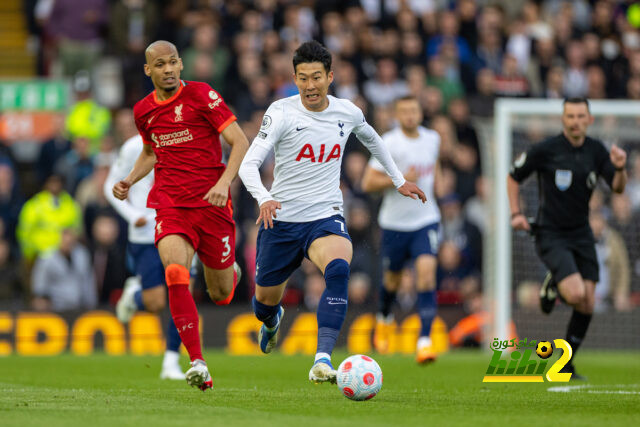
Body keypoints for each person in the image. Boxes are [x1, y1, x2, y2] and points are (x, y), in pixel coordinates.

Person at [238, 41, 425, 384]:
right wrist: (264, 197)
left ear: (330, 77)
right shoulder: (280, 112)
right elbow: (248, 165)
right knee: (264, 301)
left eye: (317, 78)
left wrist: (398, 180)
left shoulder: (347, 111)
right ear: (294, 78)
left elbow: (373, 139)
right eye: (303, 78)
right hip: (280, 219)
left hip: (325, 214)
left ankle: (322, 359)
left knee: (339, 268)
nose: (310, 86)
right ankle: (272, 319)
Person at [112, 40, 249, 391]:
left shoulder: (202, 95)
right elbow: (149, 151)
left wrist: (224, 182)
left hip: (212, 206)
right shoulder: (143, 110)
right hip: (171, 205)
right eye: (160, 64)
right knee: (175, 272)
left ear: (181, 64)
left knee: (221, 295)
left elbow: (240, 142)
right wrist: (129, 180)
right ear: (149, 70)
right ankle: (197, 362)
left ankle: (227, 269)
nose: (168, 69)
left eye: (173, 62)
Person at [507, 97, 627, 380]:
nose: (575, 121)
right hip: (551, 233)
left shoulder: (597, 151)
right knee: (574, 293)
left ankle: (566, 364)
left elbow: (618, 189)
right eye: (570, 116)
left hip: (582, 233)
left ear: (589, 119)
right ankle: (556, 285)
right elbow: (514, 177)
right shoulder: (546, 149)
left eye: (580, 116)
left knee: (587, 302)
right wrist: (516, 213)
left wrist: (620, 168)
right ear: (563, 119)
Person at [361, 95, 442, 364]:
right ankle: (384, 318)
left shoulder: (433, 139)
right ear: (397, 114)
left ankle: (425, 341)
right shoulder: (389, 142)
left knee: (427, 275)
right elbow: (368, 183)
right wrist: (400, 180)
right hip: (395, 223)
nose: (409, 115)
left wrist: (437, 189)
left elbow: (433, 170)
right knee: (392, 280)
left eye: (414, 110)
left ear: (421, 112)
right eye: (404, 111)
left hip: (426, 219)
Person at [104, 134, 184, 380]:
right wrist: (131, 215)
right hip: (145, 232)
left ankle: (171, 361)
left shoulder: (185, 139)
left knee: (181, 294)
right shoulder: (133, 146)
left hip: (180, 229)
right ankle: (135, 295)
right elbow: (111, 185)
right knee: (156, 303)